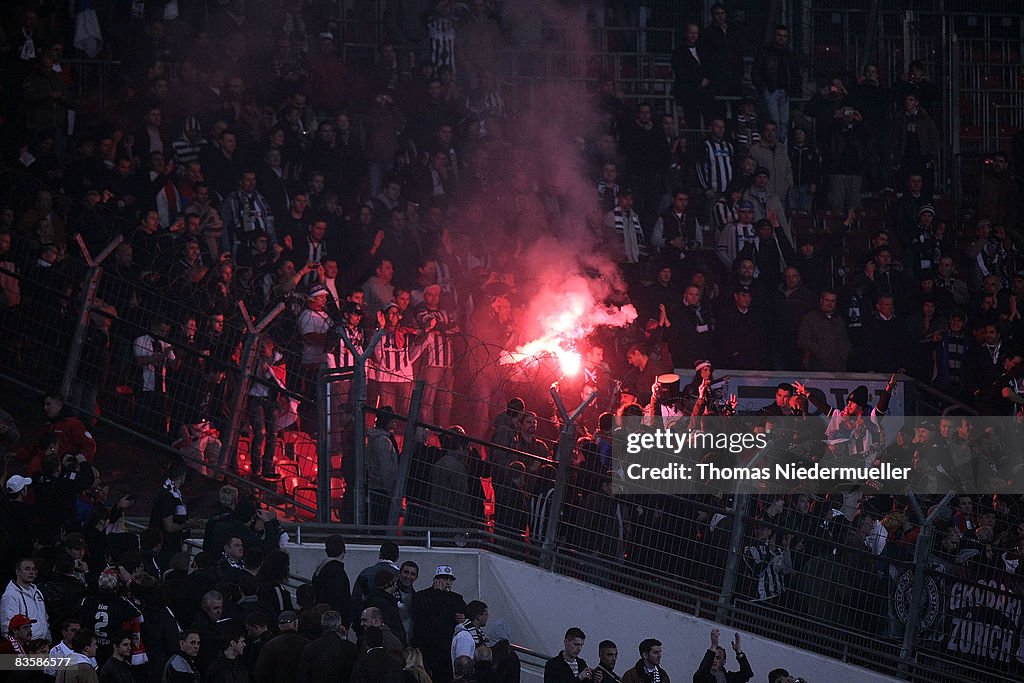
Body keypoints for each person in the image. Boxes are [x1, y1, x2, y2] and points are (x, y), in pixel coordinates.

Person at [1, 560, 49, 641]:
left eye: (33, 569)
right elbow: (7, 626)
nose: (31, 572)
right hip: (25, 645)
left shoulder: (37, 592)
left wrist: (47, 637)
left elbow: (44, 618)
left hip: (41, 644)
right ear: (18, 572)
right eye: (27, 569)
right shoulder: (10, 595)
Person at [311, 534, 350, 614]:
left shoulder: (320, 569)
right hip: (333, 618)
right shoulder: (337, 571)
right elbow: (340, 600)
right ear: (343, 550)